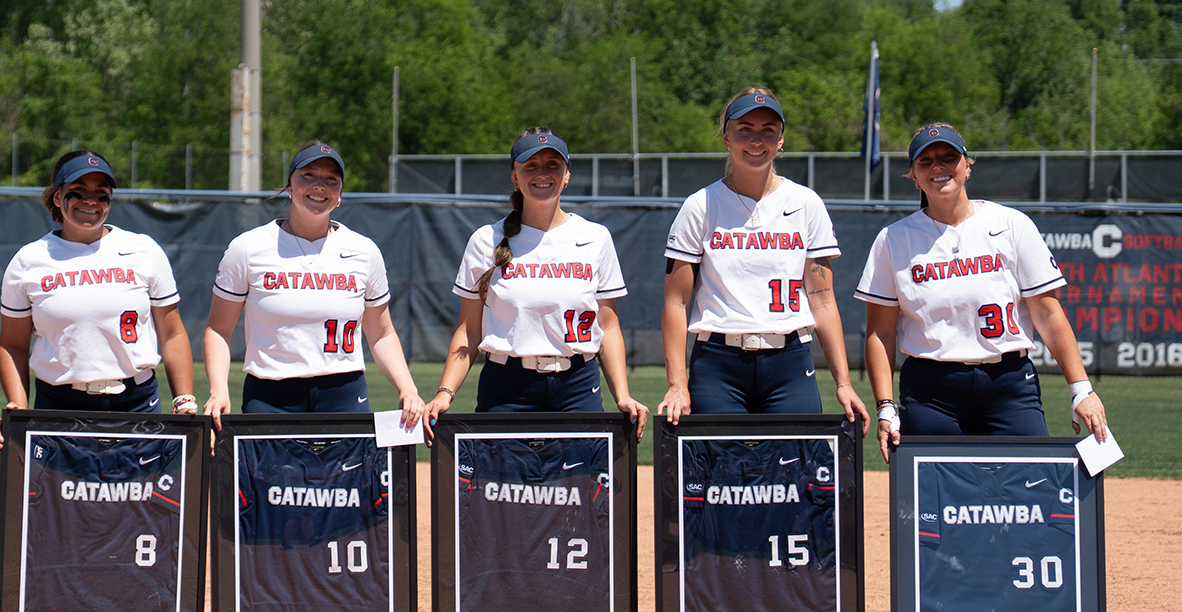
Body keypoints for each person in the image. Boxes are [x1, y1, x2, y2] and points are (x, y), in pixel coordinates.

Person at [856, 123, 1108, 461]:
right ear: (914, 176)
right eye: (925, 161)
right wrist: (886, 406)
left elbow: (1048, 314)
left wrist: (1081, 389)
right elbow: (881, 332)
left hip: (1009, 384)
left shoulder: (1011, 225)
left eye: (949, 157)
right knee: (937, 489)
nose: (938, 167)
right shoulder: (894, 239)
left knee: (1028, 483)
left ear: (967, 165)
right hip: (931, 391)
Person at [659, 88, 868, 425]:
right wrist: (677, 384)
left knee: (796, 458)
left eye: (767, 130)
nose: (756, 140)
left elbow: (823, 302)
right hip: (718, 363)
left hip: (790, 361)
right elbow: (676, 302)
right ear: (727, 138)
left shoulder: (805, 203)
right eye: (745, 129)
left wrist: (843, 383)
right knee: (718, 459)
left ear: (780, 140)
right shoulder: (700, 206)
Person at [426, 128, 649, 434]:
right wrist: (444, 393)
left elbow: (607, 326)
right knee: (500, 468)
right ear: (514, 177)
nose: (542, 173)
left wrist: (622, 395)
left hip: (578, 385)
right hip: (507, 387)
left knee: (580, 467)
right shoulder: (486, 240)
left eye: (552, 164)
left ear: (567, 175)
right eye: (530, 165)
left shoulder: (595, 238)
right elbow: (469, 329)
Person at [203, 141, 423, 425]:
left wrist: (408, 388)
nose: (320, 185)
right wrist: (218, 391)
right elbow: (218, 330)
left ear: (340, 194)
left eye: (331, 179)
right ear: (290, 185)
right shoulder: (248, 248)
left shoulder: (364, 251)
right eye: (308, 175)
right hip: (271, 395)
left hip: (344, 393)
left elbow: (381, 333)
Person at [0, 150, 198, 417]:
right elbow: (13, 345)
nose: (90, 200)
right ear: (57, 196)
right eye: (79, 191)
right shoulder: (29, 260)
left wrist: (184, 399)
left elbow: (172, 334)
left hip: (137, 403)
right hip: (58, 406)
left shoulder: (143, 250)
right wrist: (18, 408)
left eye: (100, 192)